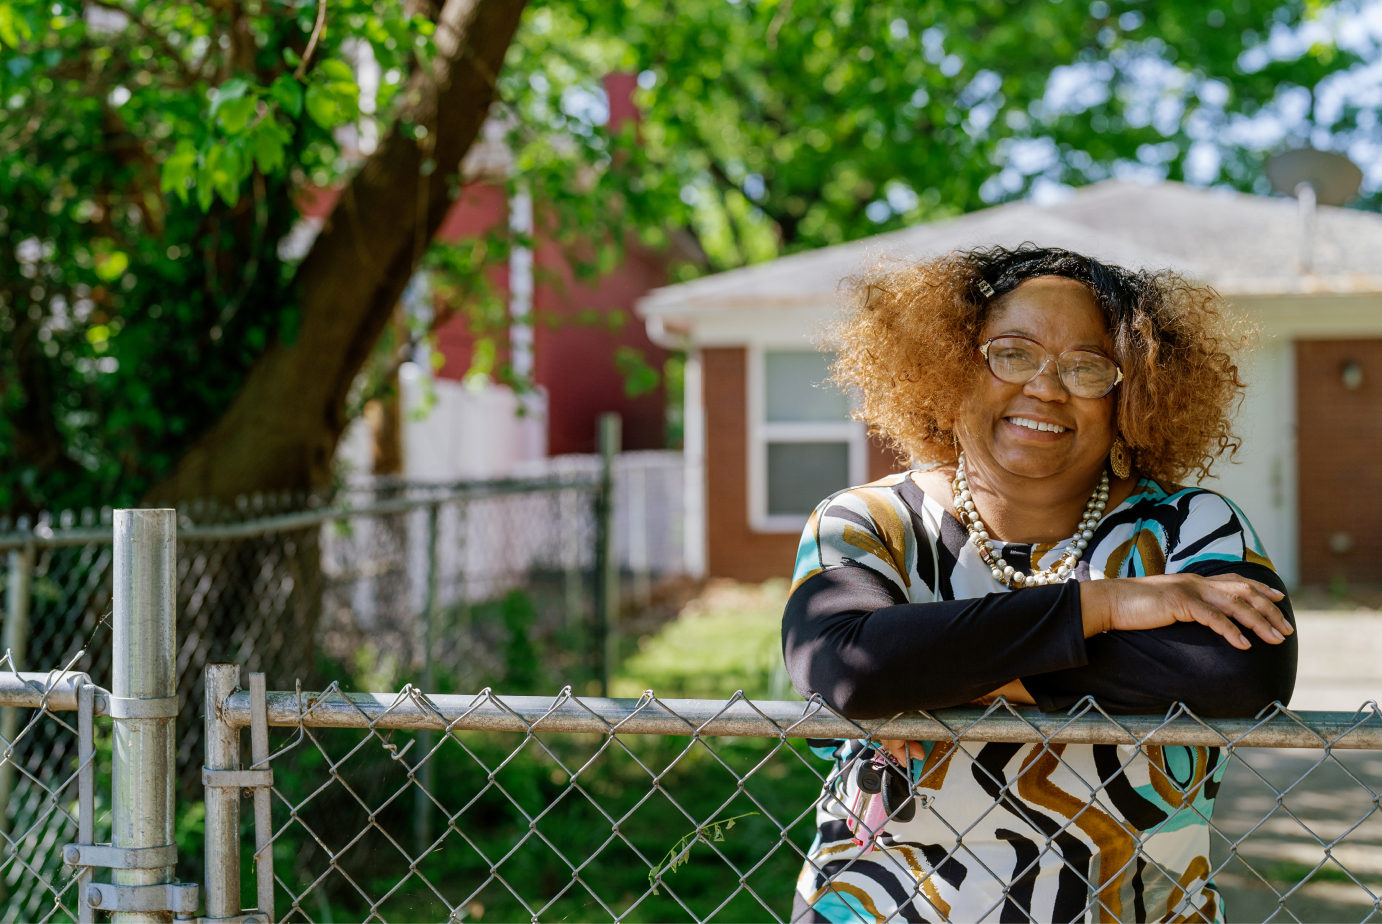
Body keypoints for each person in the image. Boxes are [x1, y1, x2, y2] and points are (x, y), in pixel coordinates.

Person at [783, 246, 1297, 923]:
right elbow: (848, 667)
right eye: (1013, 353)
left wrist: (945, 678)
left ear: (1127, 397)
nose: (1047, 388)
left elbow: (1242, 671)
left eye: (1088, 368)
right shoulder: (868, 521)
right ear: (950, 366)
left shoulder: (1190, 526)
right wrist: (1105, 605)